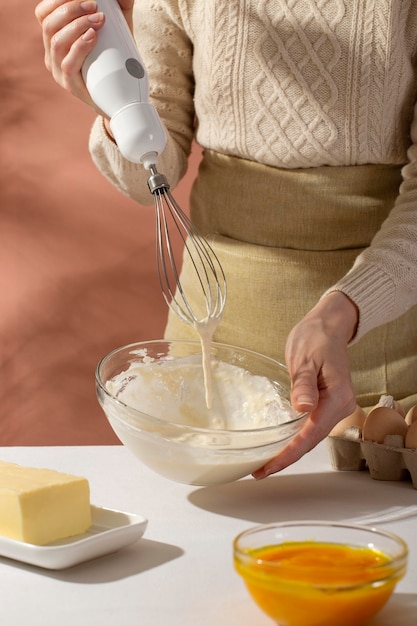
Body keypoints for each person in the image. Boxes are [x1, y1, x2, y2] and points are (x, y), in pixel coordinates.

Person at [35, 0, 417, 478]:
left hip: (375, 361)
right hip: (207, 348)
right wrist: (116, 113)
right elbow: (155, 169)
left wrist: (346, 310)